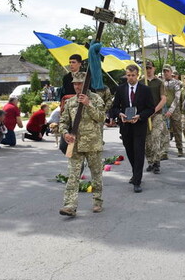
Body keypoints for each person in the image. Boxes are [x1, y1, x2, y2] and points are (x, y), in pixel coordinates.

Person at [59, 72, 105, 217]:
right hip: (76, 144)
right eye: (75, 83)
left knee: (96, 174)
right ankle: (70, 206)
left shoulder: (96, 99)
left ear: (86, 84)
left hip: (93, 144)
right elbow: (63, 122)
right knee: (73, 175)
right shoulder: (70, 102)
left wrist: (88, 104)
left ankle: (97, 201)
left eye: (80, 83)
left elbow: (101, 117)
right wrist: (65, 133)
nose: (77, 86)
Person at [109, 64, 155, 193]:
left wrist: (140, 116)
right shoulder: (120, 89)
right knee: (130, 151)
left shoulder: (145, 89)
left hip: (139, 125)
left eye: (133, 75)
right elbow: (114, 107)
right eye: (128, 75)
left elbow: (151, 108)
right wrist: (119, 114)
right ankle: (135, 173)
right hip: (125, 126)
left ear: (137, 75)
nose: (130, 78)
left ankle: (137, 181)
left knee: (139, 151)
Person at [143, 61, 166, 174]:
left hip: (156, 114)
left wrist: (154, 110)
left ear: (154, 68)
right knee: (147, 140)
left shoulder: (159, 82)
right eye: (146, 68)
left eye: (150, 68)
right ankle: (150, 161)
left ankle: (157, 161)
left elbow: (163, 99)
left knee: (155, 137)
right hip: (144, 116)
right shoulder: (141, 82)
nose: (148, 70)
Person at [162, 64, 184, 157]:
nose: (166, 73)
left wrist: (170, 110)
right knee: (164, 131)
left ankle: (180, 149)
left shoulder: (176, 83)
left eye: (167, 71)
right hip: (163, 109)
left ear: (171, 72)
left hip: (174, 110)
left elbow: (177, 97)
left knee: (177, 130)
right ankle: (164, 151)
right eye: (164, 71)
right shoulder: (161, 83)